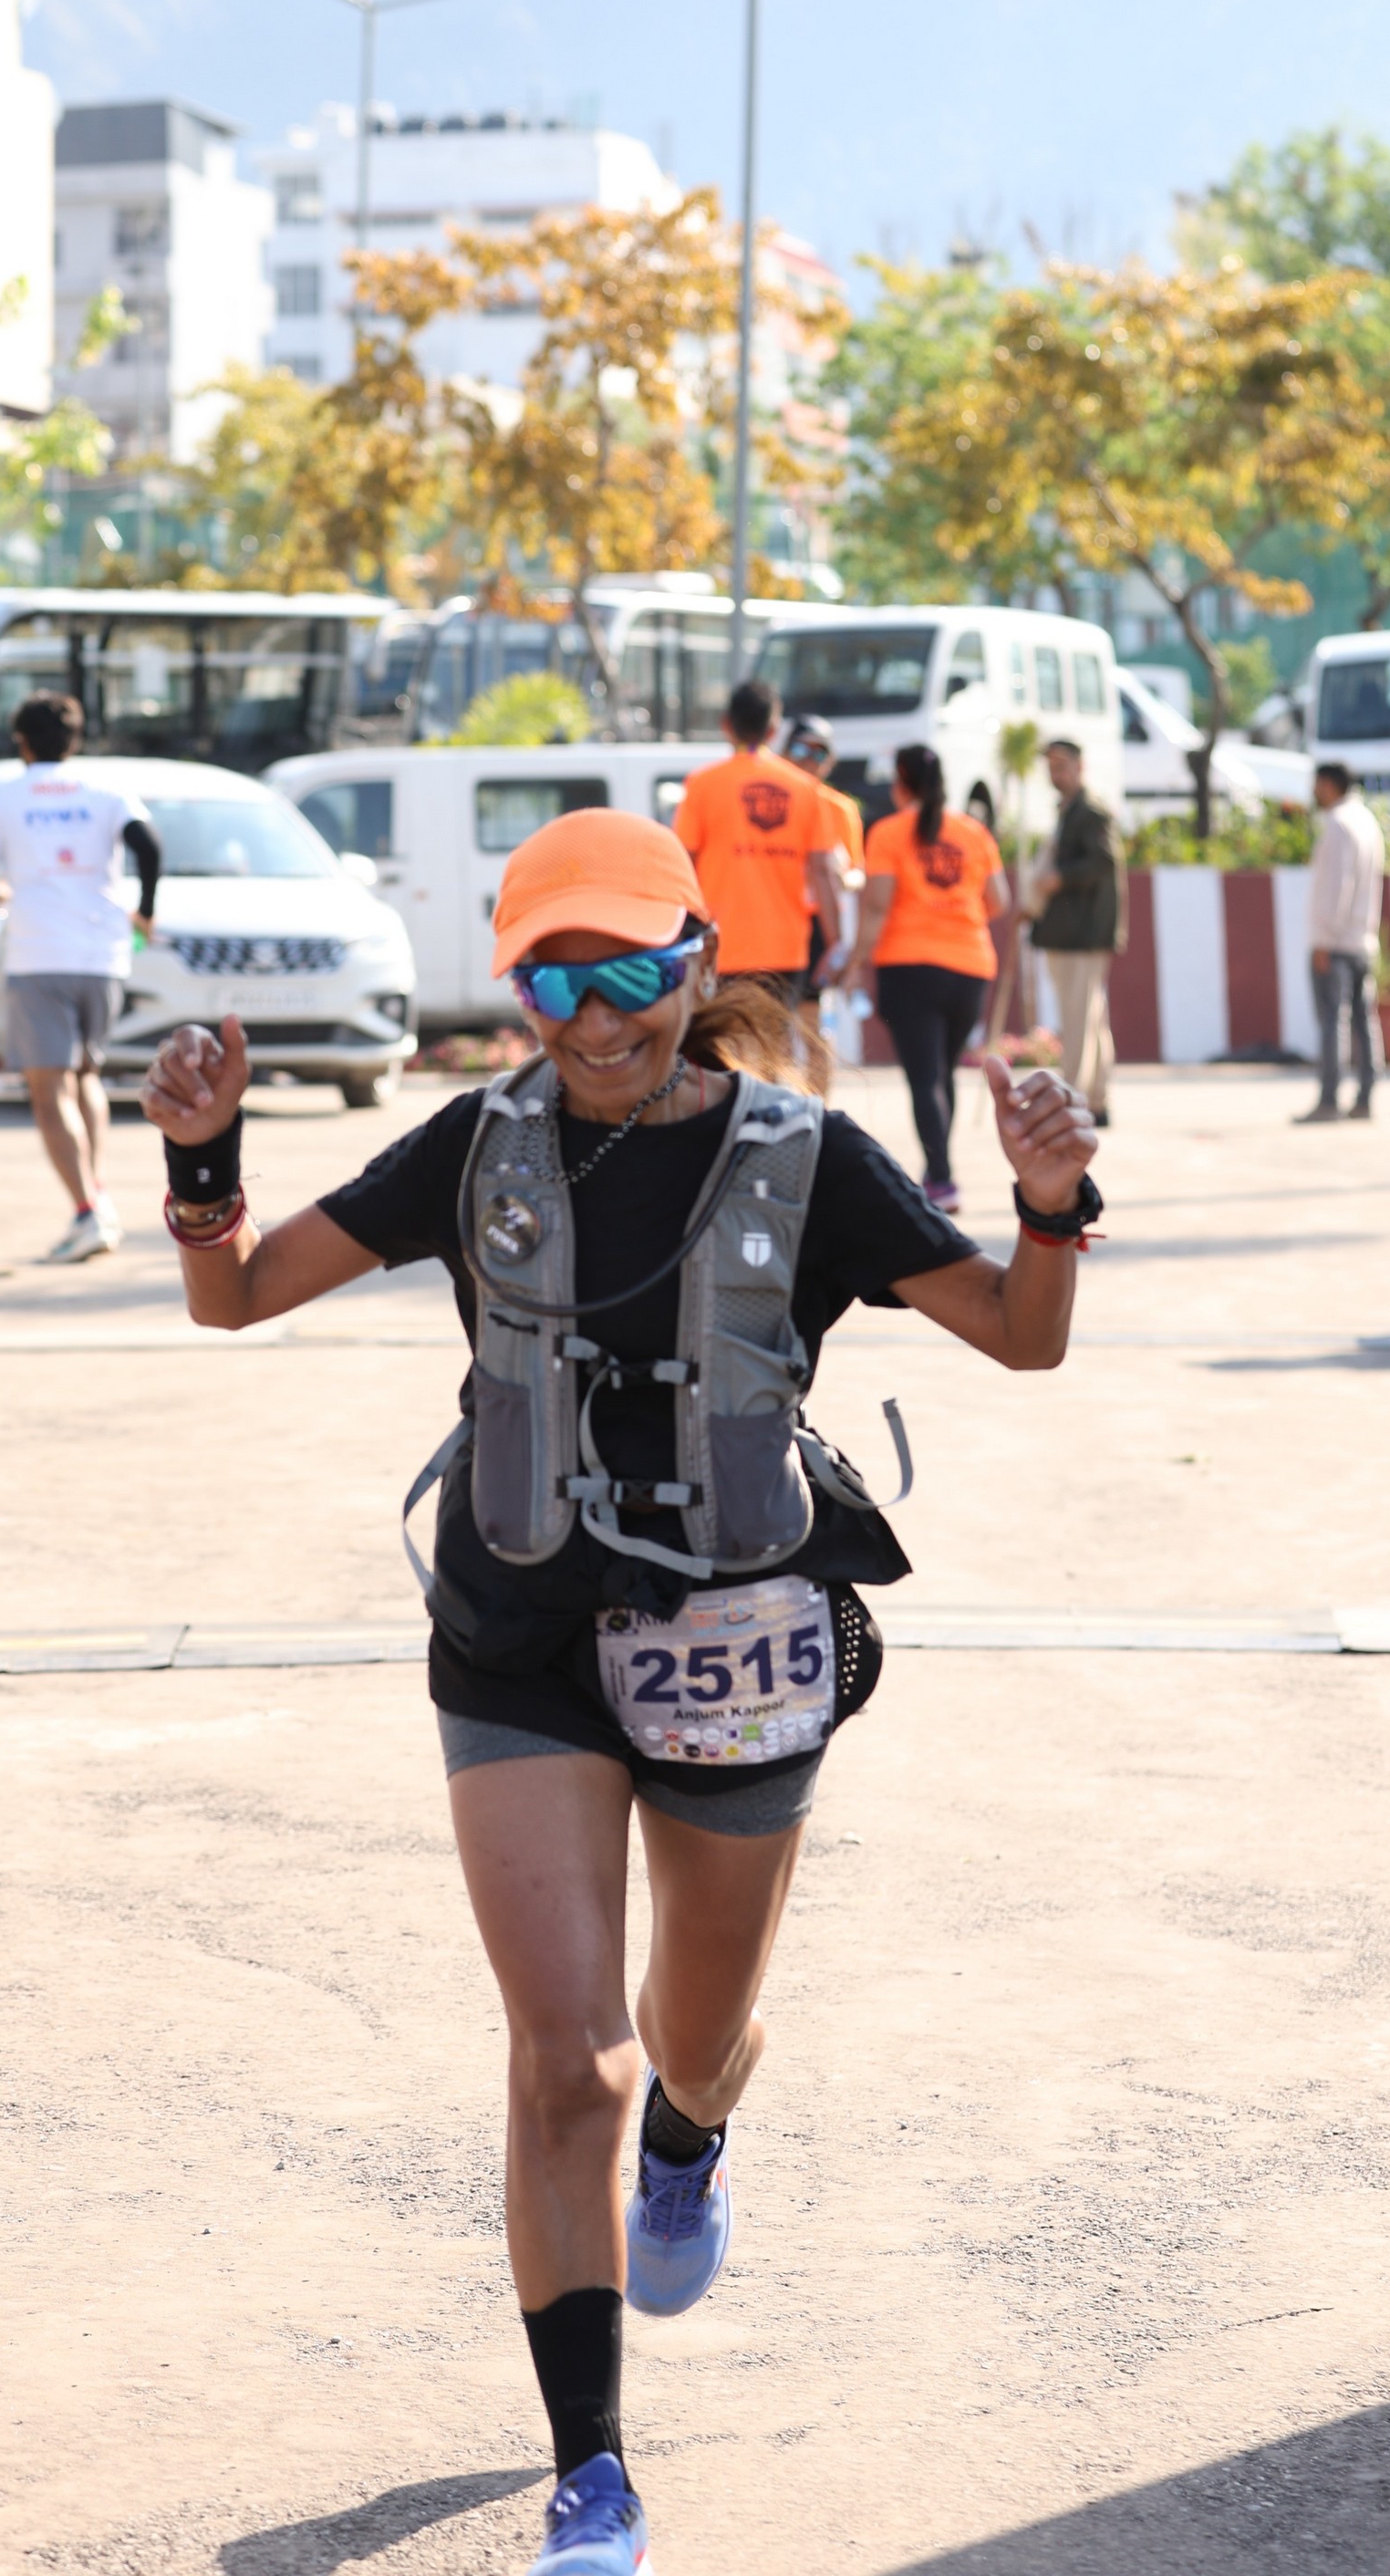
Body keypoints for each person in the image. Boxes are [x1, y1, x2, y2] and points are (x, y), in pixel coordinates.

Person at [146, 806, 1100, 2576]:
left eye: (636, 975)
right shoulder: (476, 1146)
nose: (598, 1019)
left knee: (691, 2040)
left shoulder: (805, 1157)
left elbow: (1020, 1335)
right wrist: (206, 1159)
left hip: (738, 1634)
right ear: (516, 989)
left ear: (698, 965)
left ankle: (694, 2138)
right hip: (518, 1635)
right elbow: (238, 1298)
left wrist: (1052, 1206)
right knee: (561, 2059)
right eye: (556, 983)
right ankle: (590, 2473)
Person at [0, 691, 160, 1260]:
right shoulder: (106, 790)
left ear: (21, 742)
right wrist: (147, 910)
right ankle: (98, 1197)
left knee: (48, 1093)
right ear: (75, 740)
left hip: (38, 955)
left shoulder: (5, 795)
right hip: (102, 955)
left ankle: (87, 1212)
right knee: (86, 1077)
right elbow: (149, 845)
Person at [824, 743, 1011, 1212]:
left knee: (924, 1076)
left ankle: (942, 1178)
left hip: (909, 967)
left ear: (901, 784)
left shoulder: (889, 833)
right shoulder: (973, 832)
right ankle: (937, 1171)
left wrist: (856, 964)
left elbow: (877, 907)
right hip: (970, 966)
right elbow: (999, 901)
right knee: (941, 1073)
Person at [672, 680, 844, 1002]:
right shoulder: (806, 788)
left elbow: (682, 864)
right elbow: (823, 871)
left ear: (726, 725)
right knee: (775, 1034)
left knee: (721, 1034)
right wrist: (836, 943)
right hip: (785, 950)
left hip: (719, 947)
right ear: (773, 730)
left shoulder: (702, 784)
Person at [1022, 738, 1127, 1130]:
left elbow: (1103, 860)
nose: (1056, 774)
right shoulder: (1070, 811)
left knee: (1078, 1018)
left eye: (1062, 766)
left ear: (1080, 767)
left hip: (1082, 933)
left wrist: (1060, 878)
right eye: (1051, 767)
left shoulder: (1090, 812)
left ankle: (1075, 1100)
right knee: (1090, 1017)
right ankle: (1095, 1100)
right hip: (1070, 932)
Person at [1301, 758, 1385, 1124]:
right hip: (1363, 938)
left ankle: (1329, 1099)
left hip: (1336, 942)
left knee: (1333, 1022)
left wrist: (1324, 939)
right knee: (1364, 1022)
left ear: (1328, 784)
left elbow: (1337, 888)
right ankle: (1366, 1096)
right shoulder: (1367, 821)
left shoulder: (1338, 824)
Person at [782, 714, 865, 1003]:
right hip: (778, 915)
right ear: (785, 753)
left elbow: (857, 870)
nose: (809, 760)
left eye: (819, 753)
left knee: (811, 1012)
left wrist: (841, 877)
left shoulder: (841, 808)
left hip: (820, 920)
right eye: (801, 750)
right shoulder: (774, 798)